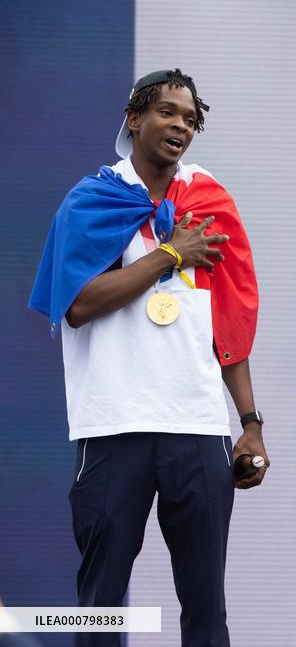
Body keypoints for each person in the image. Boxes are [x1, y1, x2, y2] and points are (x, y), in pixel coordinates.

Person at [29, 69, 267, 646]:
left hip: (198, 429)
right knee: (101, 607)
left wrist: (251, 424)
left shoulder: (208, 205)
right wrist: (167, 254)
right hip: (115, 427)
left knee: (206, 610)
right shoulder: (92, 201)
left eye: (190, 119)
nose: (180, 126)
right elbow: (80, 305)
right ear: (134, 119)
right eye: (167, 112)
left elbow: (227, 327)